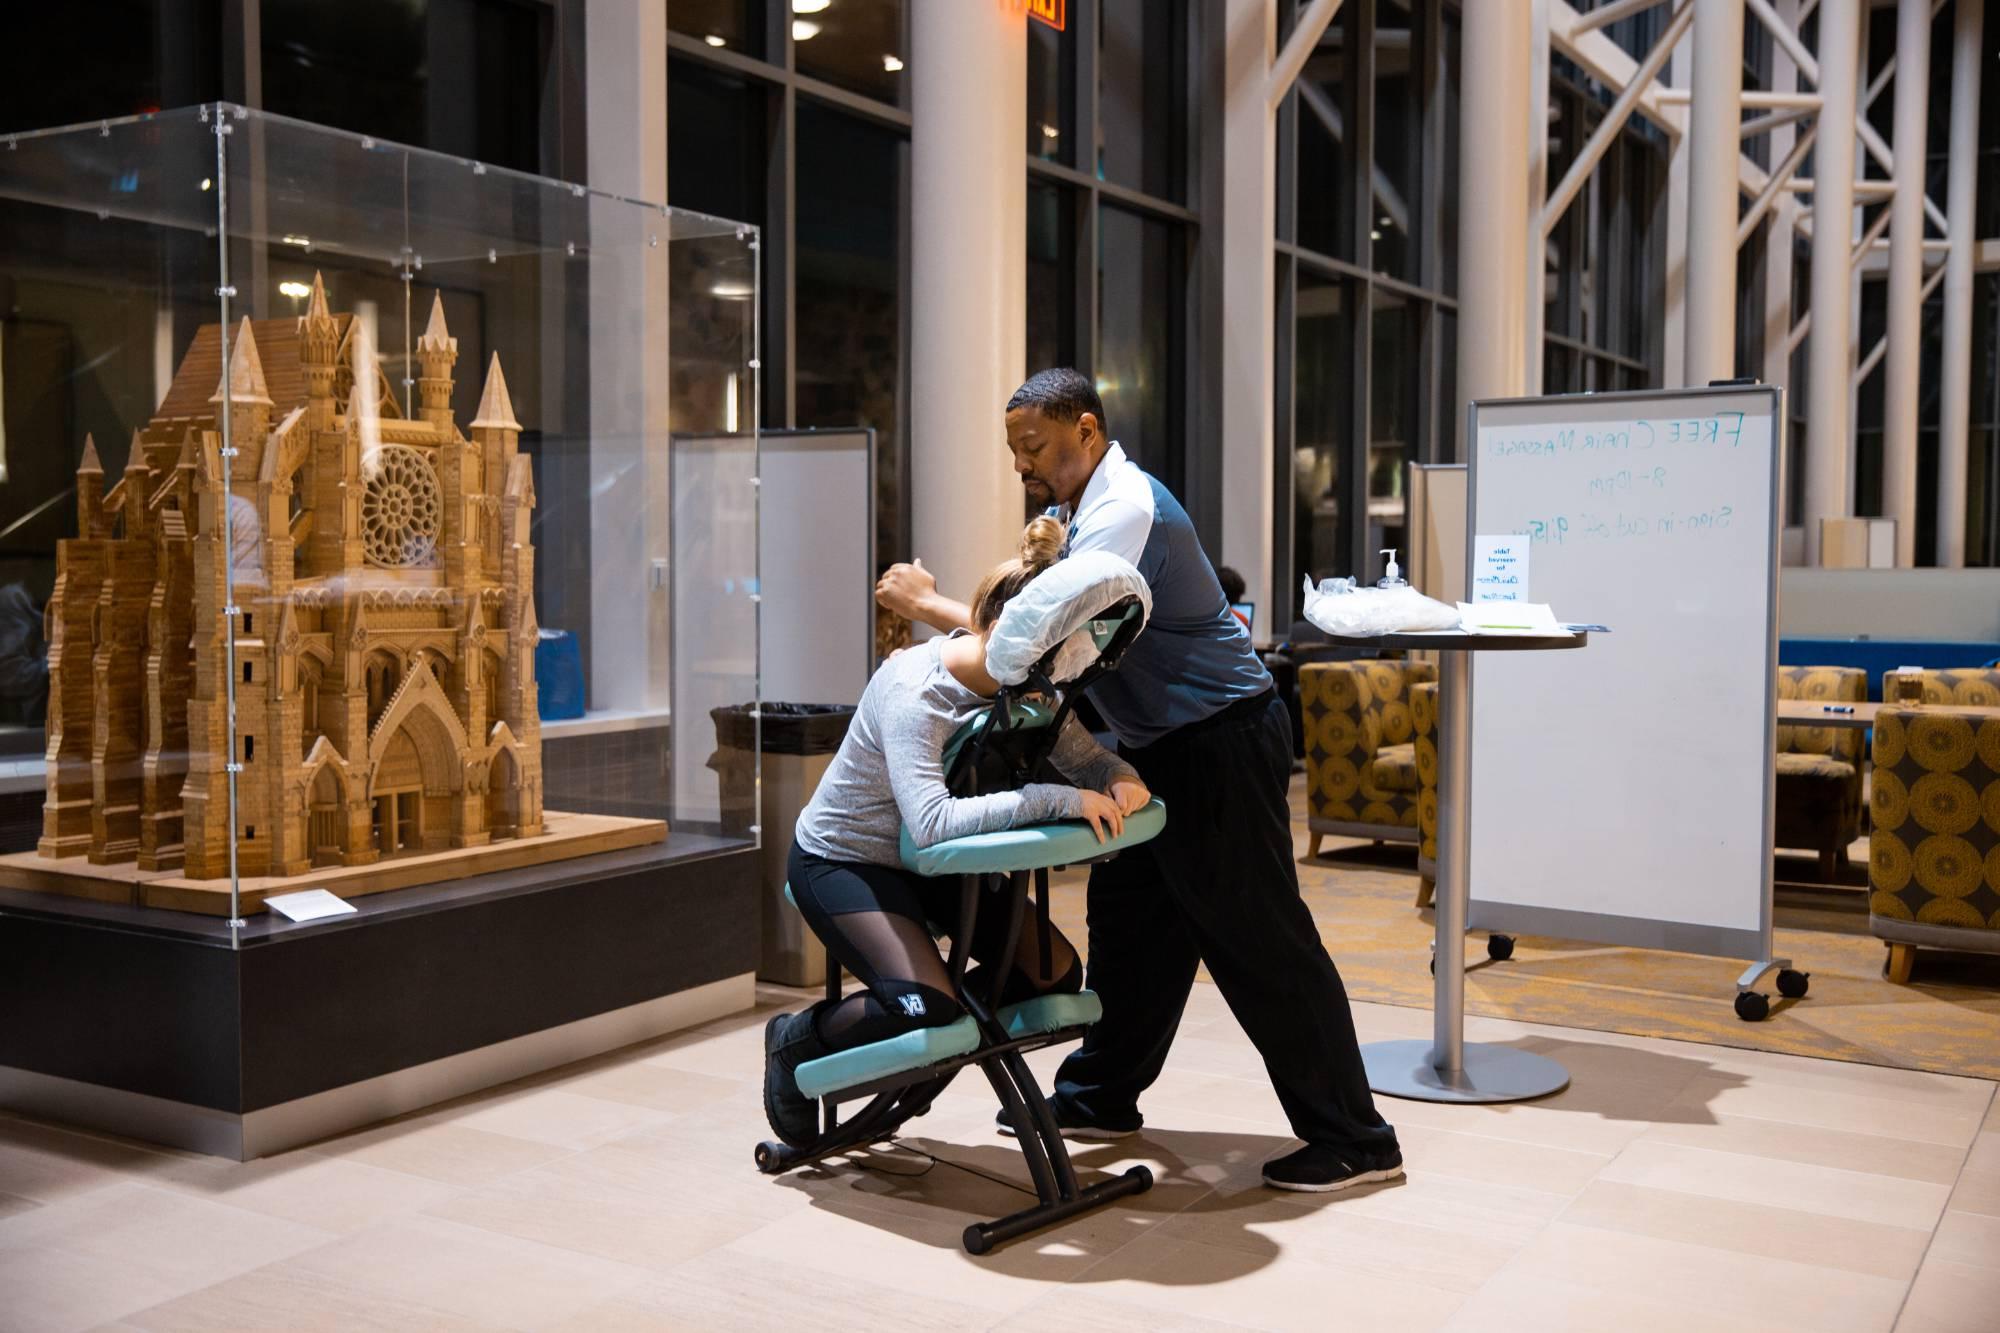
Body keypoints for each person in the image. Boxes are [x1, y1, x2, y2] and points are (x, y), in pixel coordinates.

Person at [875, 368, 1401, 1192]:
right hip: (1158, 743)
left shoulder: (1126, 510)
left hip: (1221, 739)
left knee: (1258, 938)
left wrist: (933, 603)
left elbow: (1041, 640)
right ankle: (1099, 1093)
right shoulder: (1070, 513)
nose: (1023, 466)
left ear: (1087, 430)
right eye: (1014, 450)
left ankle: (1356, 1138)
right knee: (1133, 925)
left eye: (1036, 447)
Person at [765, 517, 1153, 1150]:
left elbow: (1087, 759)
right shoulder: (915, 693)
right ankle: (793, 1043)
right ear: (1004, 637)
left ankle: (946, 1023)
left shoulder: (1032, 682)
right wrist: (1056, 798)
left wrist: (1120, 777)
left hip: (933, 867)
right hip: (846, 861)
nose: (1051, 683)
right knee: (927, 1007)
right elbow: (933, 822)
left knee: (1055, 975)